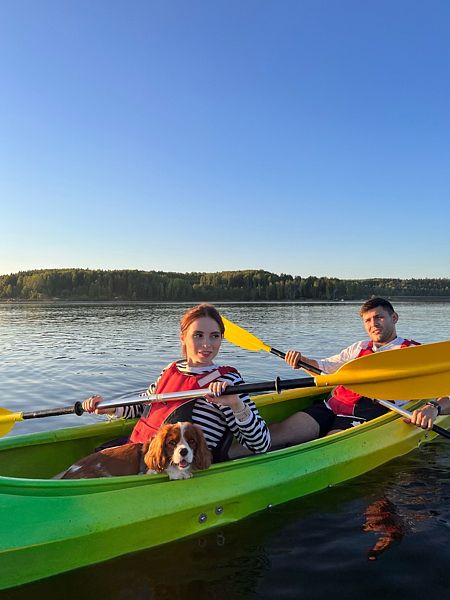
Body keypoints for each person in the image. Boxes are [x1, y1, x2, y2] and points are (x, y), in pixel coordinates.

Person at [83, 303, 271, 461]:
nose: (207, 344)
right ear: (183, 338)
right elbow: (144, 405)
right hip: (143, 453)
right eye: (198, 335)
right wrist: (110, 408)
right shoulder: (171, 369)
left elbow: (261, 444)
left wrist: (236, 404)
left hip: (181, 466)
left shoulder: (228, 381)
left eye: (214, 336)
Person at [269, 297, 449, 446]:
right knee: (277, 434)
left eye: (379, 317)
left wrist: (433, 408)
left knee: (328, 444)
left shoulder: (414, 352)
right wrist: (301, 361)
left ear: (394, 318)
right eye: (367, 320)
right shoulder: (358, 347)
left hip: (370, 413)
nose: (373, 324)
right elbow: (324, 370)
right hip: (332, 406)